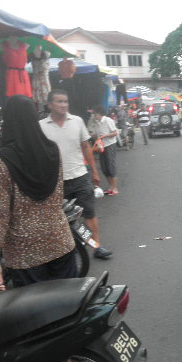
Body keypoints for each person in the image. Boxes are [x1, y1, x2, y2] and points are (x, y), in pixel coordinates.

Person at [0, 95, 77, 289]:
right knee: (69, 302)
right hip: (60, 240)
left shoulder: (1, 159)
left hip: (24, 252)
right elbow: (58, 193)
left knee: (36, 308)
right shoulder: (52, 149)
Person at [39, 89, 112, 259]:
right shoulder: (41, 126)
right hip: (56, 182)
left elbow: (86, 147)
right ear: (50, 105)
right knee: (60, 219)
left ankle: (96, 246)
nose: (64, 105)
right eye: (59, 101)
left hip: (80, 176)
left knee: (89, 213)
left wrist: (94, 172)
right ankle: (66, 251)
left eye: (65, 101)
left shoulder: (77, 121)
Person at [89, 105, 119, 195]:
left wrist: (104, 136)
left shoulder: (108, 120)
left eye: (94, 114)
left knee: (110, 167)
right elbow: (95, 135)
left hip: (110, 145)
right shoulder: (96, 123)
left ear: (98, 113)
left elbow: (115, 132)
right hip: (101, 147)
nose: (93, 116)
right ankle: (111, 187)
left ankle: (114, 189)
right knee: (104, 168)